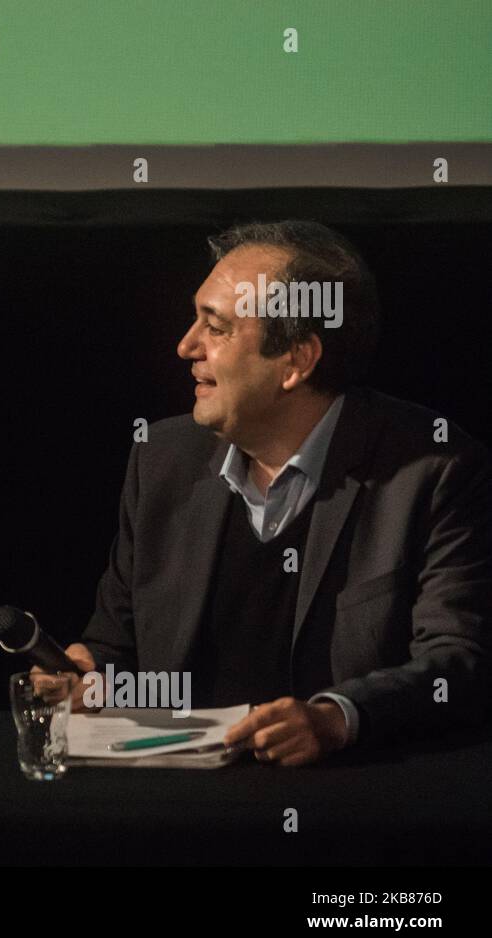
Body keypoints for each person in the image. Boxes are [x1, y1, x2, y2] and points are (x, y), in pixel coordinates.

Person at [39, 221, 490, 766]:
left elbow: (460, 661)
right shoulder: (161, 459)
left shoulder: (432, 470)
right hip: (178, 799)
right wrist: (91, 680)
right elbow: (116, 646)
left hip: (348, 802)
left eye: (217, 328)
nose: (186, 346)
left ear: (296, 361)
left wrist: (335, 717)